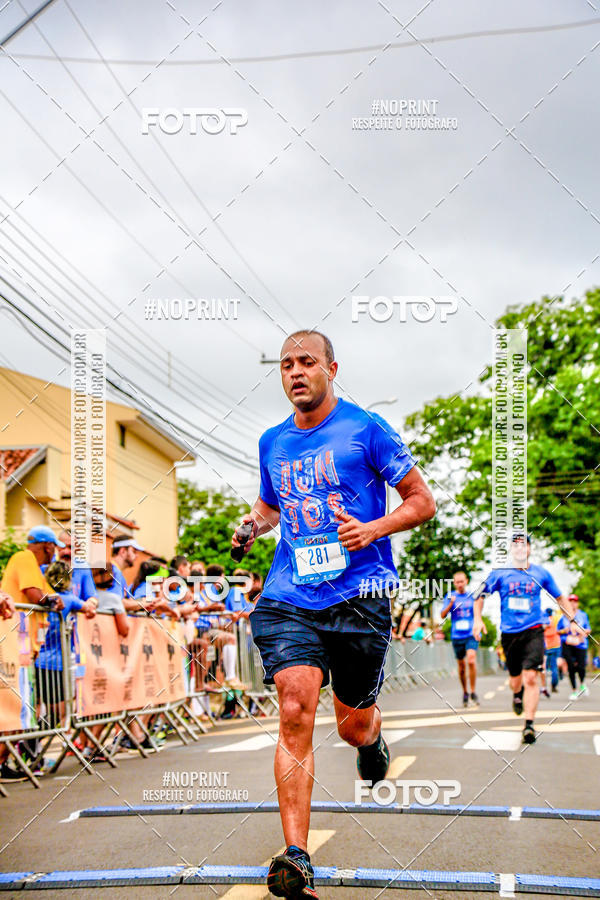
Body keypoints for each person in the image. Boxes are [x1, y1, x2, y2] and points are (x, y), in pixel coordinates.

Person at [232, 329, 435, 899]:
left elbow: (422, 500)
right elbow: (272, 506)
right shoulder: (272, 441)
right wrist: (252, 526)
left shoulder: (365, 428)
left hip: (360, 595)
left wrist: (372, 529)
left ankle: (372, 741)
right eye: (286, 365)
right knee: (295, 707)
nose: (295, 372)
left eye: (307, 362)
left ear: (331, 368)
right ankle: (297, 857)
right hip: (289, 595)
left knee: (352, 723)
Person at [474, 534, 573, 745]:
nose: (520, 550)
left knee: (531, 677)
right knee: (516, 680)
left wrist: (571, 618)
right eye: (516, 546)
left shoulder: (541, 573)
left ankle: (529, 725)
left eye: (524, 545)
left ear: (529, 549)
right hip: (510, 634)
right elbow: (479, 595)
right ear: (511, 550)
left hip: (534, 630)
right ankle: (517, 694)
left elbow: (560, 597)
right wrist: (477, 619)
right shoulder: (500, 574)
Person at [441, 571, 480, 708]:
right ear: (454, 583)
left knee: (471, 659)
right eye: (457, 582)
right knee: (462, 667)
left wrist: (478, 626)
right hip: (457, 635)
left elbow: (478, 613)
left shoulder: (472, 596)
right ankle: (465, 691)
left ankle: (473, 691)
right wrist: (451, 604)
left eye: (462, 581)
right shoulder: (450, 596)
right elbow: (442, 615)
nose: (459, 584)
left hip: (471, 633)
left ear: (466, 581)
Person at [558, 595, 591, 700]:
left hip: (580, 644)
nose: (572, 603)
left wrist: (582, 632)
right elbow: (558, 631)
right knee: (571, 667)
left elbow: (588, 630)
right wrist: (565, 630)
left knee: (581, 667)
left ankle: (582, 683)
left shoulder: (583, 615)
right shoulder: (563, 616)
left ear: (578, 603)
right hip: (567, 643)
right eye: (570, 601)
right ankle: (574, 691)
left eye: (575, 601)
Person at [542, 606, 562, 694]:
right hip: (556, 645)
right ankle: (554, 686)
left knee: (544, 668)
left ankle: (544, 686)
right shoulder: (556, 620)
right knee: (554, 667)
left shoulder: (543, 620)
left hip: (546, 646)